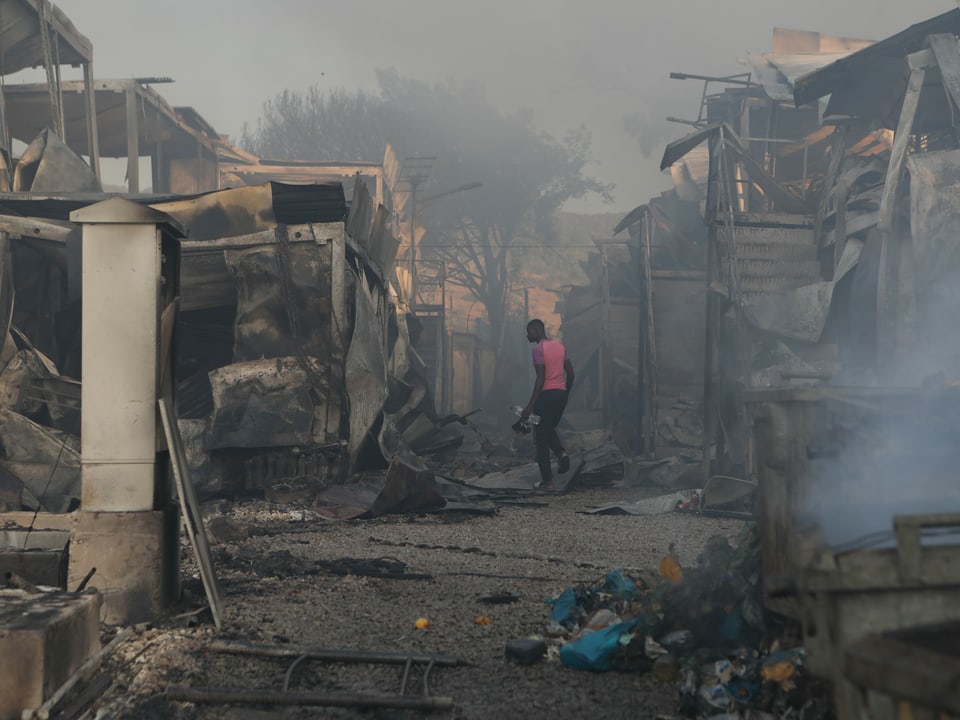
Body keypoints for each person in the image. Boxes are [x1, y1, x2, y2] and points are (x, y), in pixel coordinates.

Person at [521, 319, 574, 489]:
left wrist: (530, 405)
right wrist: (565, 393)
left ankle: (548, 482)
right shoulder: (560, 346)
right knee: (548, 427)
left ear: (536, 330)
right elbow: (571, 374)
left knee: (541, 440)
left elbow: (541, 378)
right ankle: (561, 453)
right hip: (560, 396)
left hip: (546, 397)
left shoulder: (538, 349)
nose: (527, 335)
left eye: (529, 332)